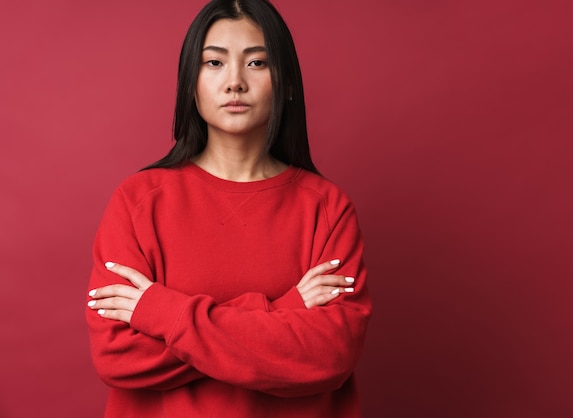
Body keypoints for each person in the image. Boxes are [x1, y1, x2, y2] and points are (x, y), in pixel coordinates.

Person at [85, 0, 372, 416]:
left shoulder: (327, 208)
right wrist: (284, 311)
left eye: (256, 63)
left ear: (287, 82)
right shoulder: (138, 200)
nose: (234, 81)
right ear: (190, 83)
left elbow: (330, 356)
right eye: (214, 63)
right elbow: (118, 355)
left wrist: (161, 313)